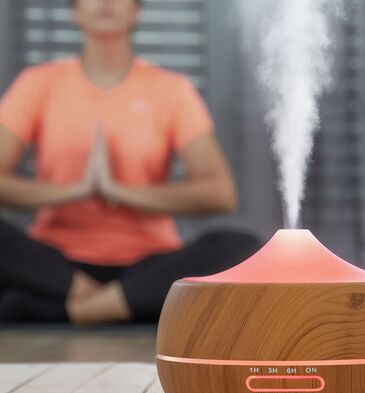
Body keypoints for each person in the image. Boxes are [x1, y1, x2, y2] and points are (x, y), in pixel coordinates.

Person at [0, 0, 261, 325]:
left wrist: (118, 191)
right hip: (55, 265)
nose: (105, 2)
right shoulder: (38, 83)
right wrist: (77, 190)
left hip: (147, 265)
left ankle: (70, 312)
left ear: (137, 10)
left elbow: (220, 193)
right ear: (74, 11)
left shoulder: (171, 90)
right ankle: (119, 305)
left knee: (242, 246)